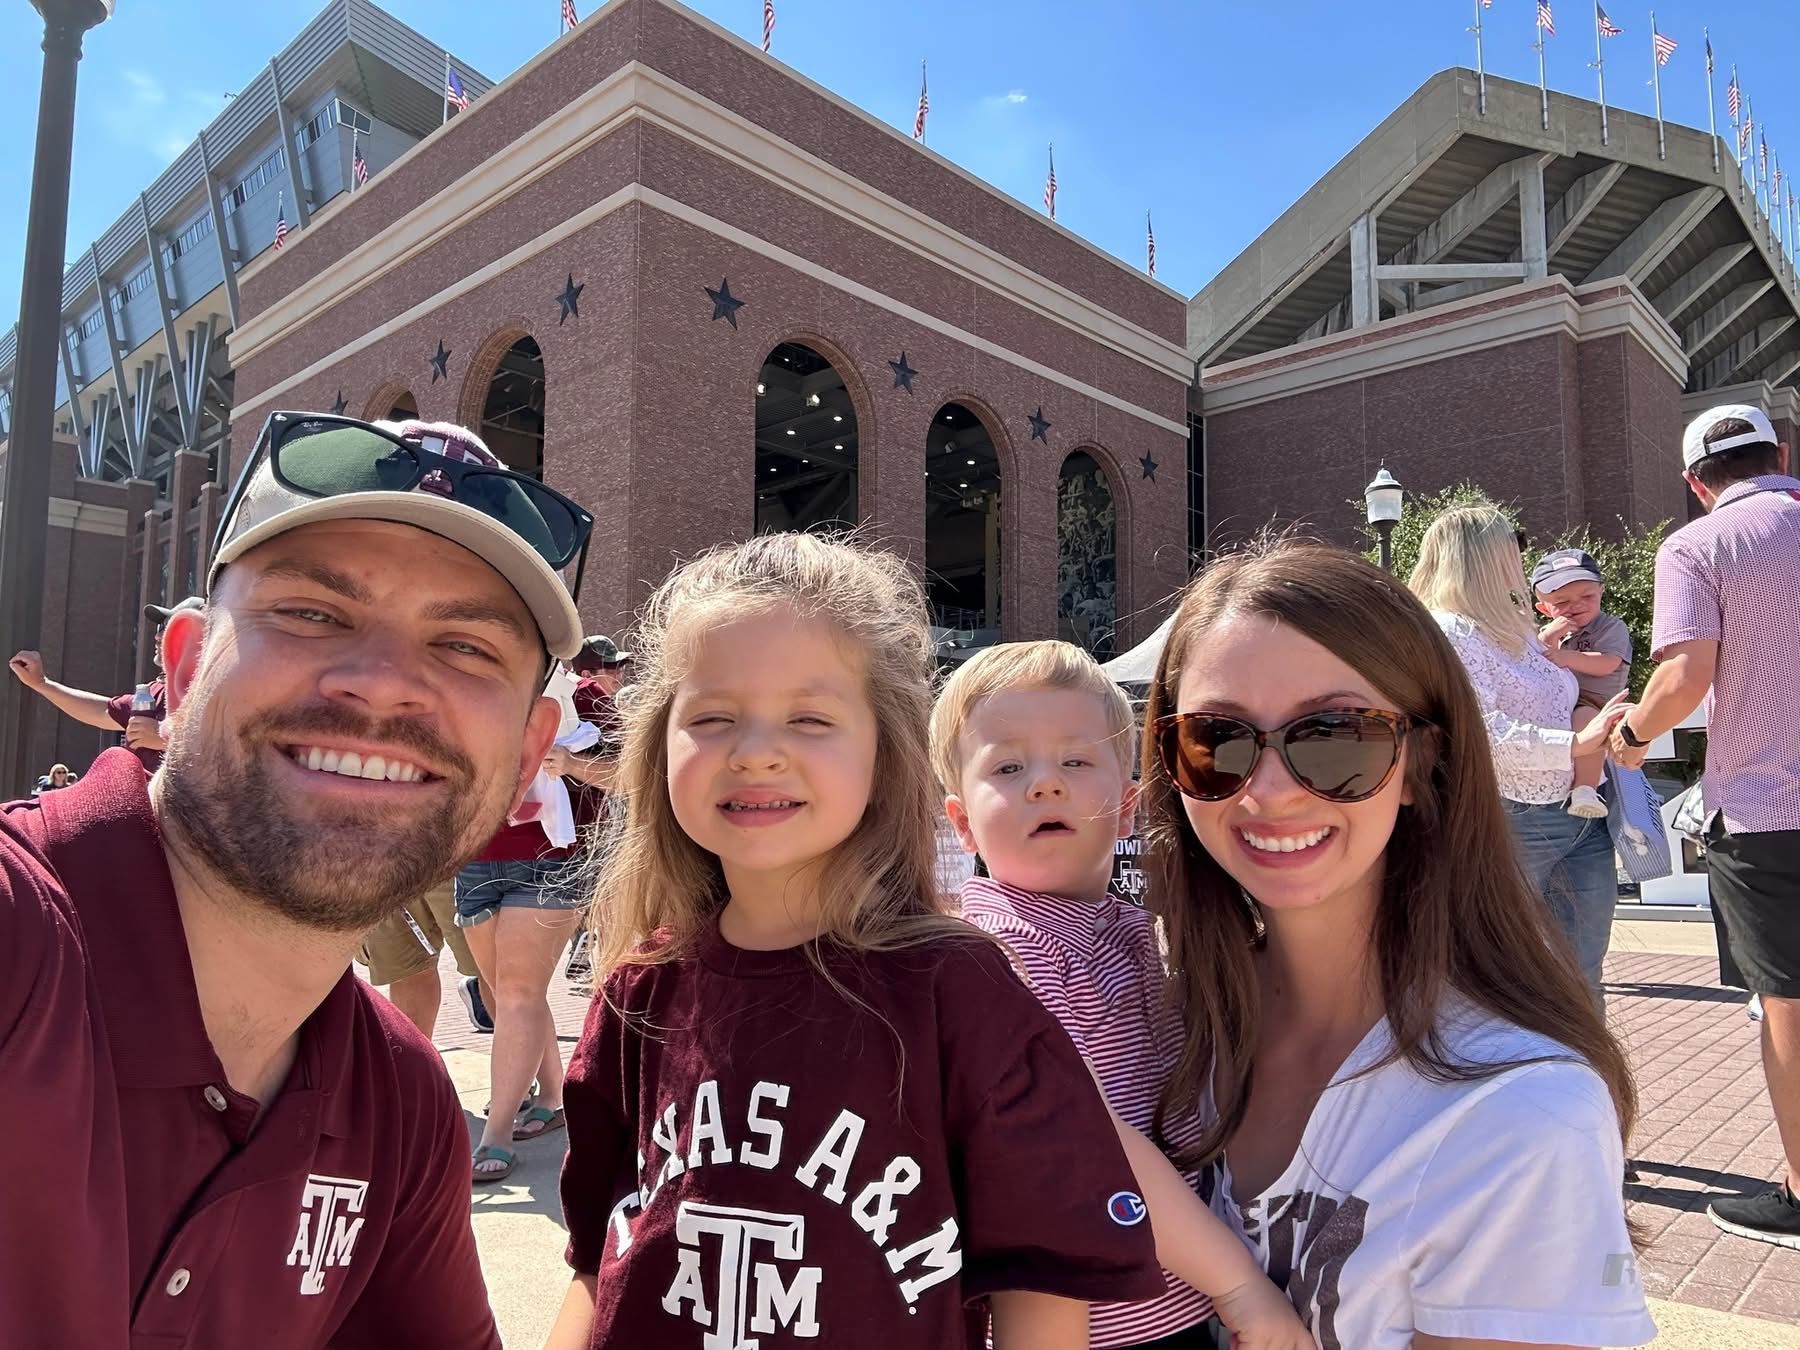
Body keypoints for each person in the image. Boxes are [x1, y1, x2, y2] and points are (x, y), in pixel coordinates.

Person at [0, 407, 595, 1345]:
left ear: (527, 757)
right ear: (186, 671)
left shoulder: (398, 1108)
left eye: (466, 645)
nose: (384, 680)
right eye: (313, 613)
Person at [546, 533, 1165, 1350]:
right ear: (661, 743)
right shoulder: (639, 991)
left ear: (885, 750)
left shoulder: (959, 990)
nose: (757, 751)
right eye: (713, 716)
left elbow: (1041, 1282)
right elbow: (600, 1261)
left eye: (810, 718)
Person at [1139, 538, 1653, 1348]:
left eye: (1337, 736)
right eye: (1217, 740)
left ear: (1421, 762)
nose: (1268, 790)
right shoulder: (1167, 1031)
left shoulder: (1519, 1115)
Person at [932, 639, 1310, 1350]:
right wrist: (1238, 1285)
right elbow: (1095, 1141)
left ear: (1128, 808)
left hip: (1168, 1295)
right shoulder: (1006, 953)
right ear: (961, 824)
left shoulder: (1126, 931)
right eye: (1009, 767)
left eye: (1075, 761)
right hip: (1100, 1321)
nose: (1045, 783)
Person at [1610, 403, 1800, 1249]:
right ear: (1782, 454)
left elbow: (1685, 678)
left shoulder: (1697, 545)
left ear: (1696, 482)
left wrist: (1631, 737)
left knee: (1789, 1010)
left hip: (1764, 814)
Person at [1410, 505, 1627, 991]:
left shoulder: (1515, 626)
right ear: (1482, 554)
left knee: (1582, 973)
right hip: (1509, 818)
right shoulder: (1451, 630)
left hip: (1579, 812)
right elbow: (1481, 731)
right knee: (1494, 973)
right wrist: (1577, 743)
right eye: (1515, 541)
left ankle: (1587, 1068)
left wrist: (1604, 732)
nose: (1522, 553)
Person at [462, 623, 623, 1183]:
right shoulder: (476, 685)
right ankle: (553, 1097)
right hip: (477, 853)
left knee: (519, 991)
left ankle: (497, 1133)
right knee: (504, 992)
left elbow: (630, 774)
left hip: (555, 858)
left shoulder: (586, 697)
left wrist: (570, 763)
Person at [8, 596, 203, 771]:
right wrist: (42, 683)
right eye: (160, 628)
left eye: (169, 628)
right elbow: (102, 711)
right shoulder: (153, 691)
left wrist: (168, 738)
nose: (157, 636)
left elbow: (228, 748)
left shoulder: (211, 693)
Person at [1532, 548, 1633, 819]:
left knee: (1587, 719)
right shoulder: (1550, 631)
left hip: (1597, 702)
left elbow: (1608, 662)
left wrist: (1566, 656)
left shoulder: (1610, 627)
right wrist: (1548, 637)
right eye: (1561, 602)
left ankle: (1585, 789)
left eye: (1587, 596)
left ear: (1601, 592)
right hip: (1563, 702)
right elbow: (1537, 664)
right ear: (1543, 608)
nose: (1575, 605)